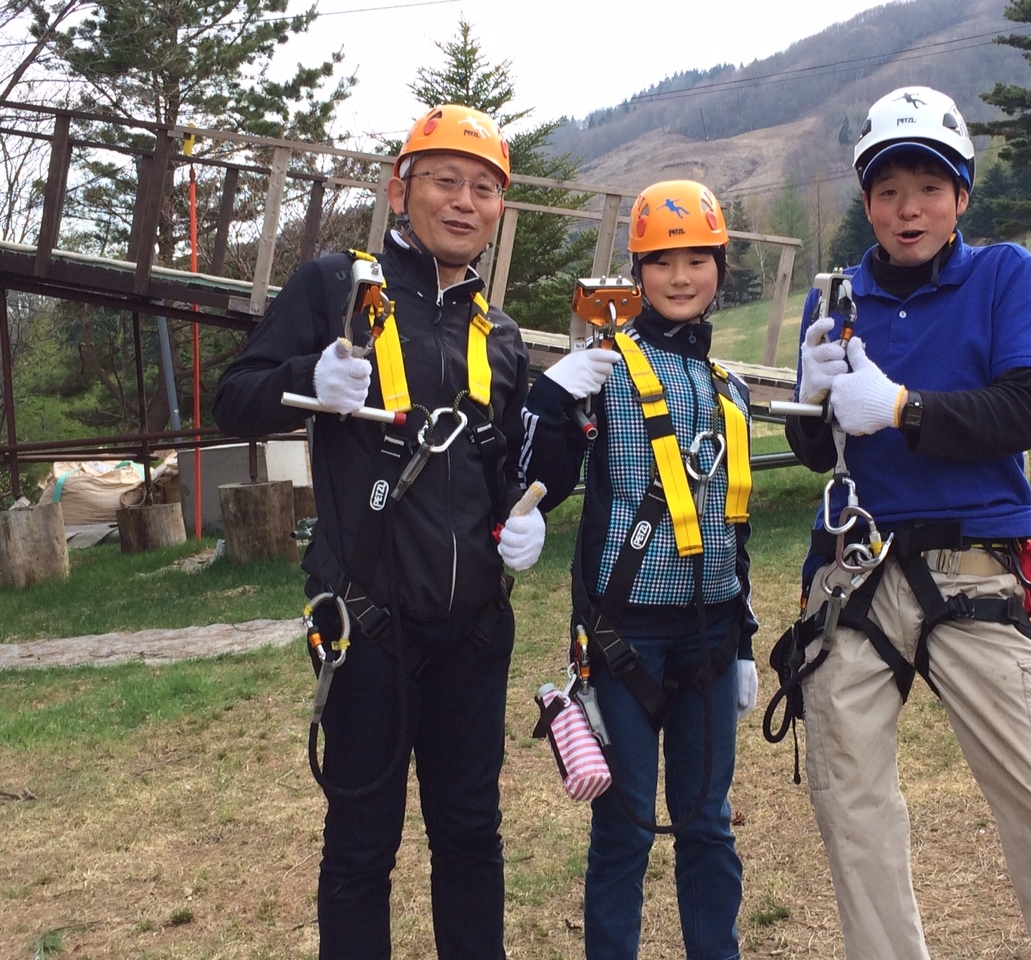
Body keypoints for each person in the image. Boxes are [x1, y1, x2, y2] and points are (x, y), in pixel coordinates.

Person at [783, 87, 1031, 960]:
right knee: (851, 808)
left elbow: (1022, 410)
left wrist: (903, 408)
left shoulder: (1005, 274)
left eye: (929, 188)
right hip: (855, 573)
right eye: (888, 191)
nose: (908, 210)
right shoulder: (837, 297)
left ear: (962, 196)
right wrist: (813, 398)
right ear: (866, 202)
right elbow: (817, 451)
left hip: (973, 564)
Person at [213, 104, 545, 960]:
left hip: (473, 629)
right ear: (402, 190)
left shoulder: (499, 335)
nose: (464, 202)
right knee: (363, 846)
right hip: (368, 624)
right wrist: (306, 377)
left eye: (483, 189)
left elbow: (503, 462)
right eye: (444, 181)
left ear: (499, 210)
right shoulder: (337, 289)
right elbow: (233, 395)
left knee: (472, 835)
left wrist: (529, 516)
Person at [519, 180, 757, 960]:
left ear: (720, 267)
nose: (681, 278)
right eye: (663, 263)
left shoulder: (734, 390)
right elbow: (544, 480)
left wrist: (747, 640)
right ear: (639, 273)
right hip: (623, 641)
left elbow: (734, 520)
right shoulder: (606, 371)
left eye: (698, 260)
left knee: (707, 825)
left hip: (712, 638)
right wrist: (551, 403)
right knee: (622, 829)